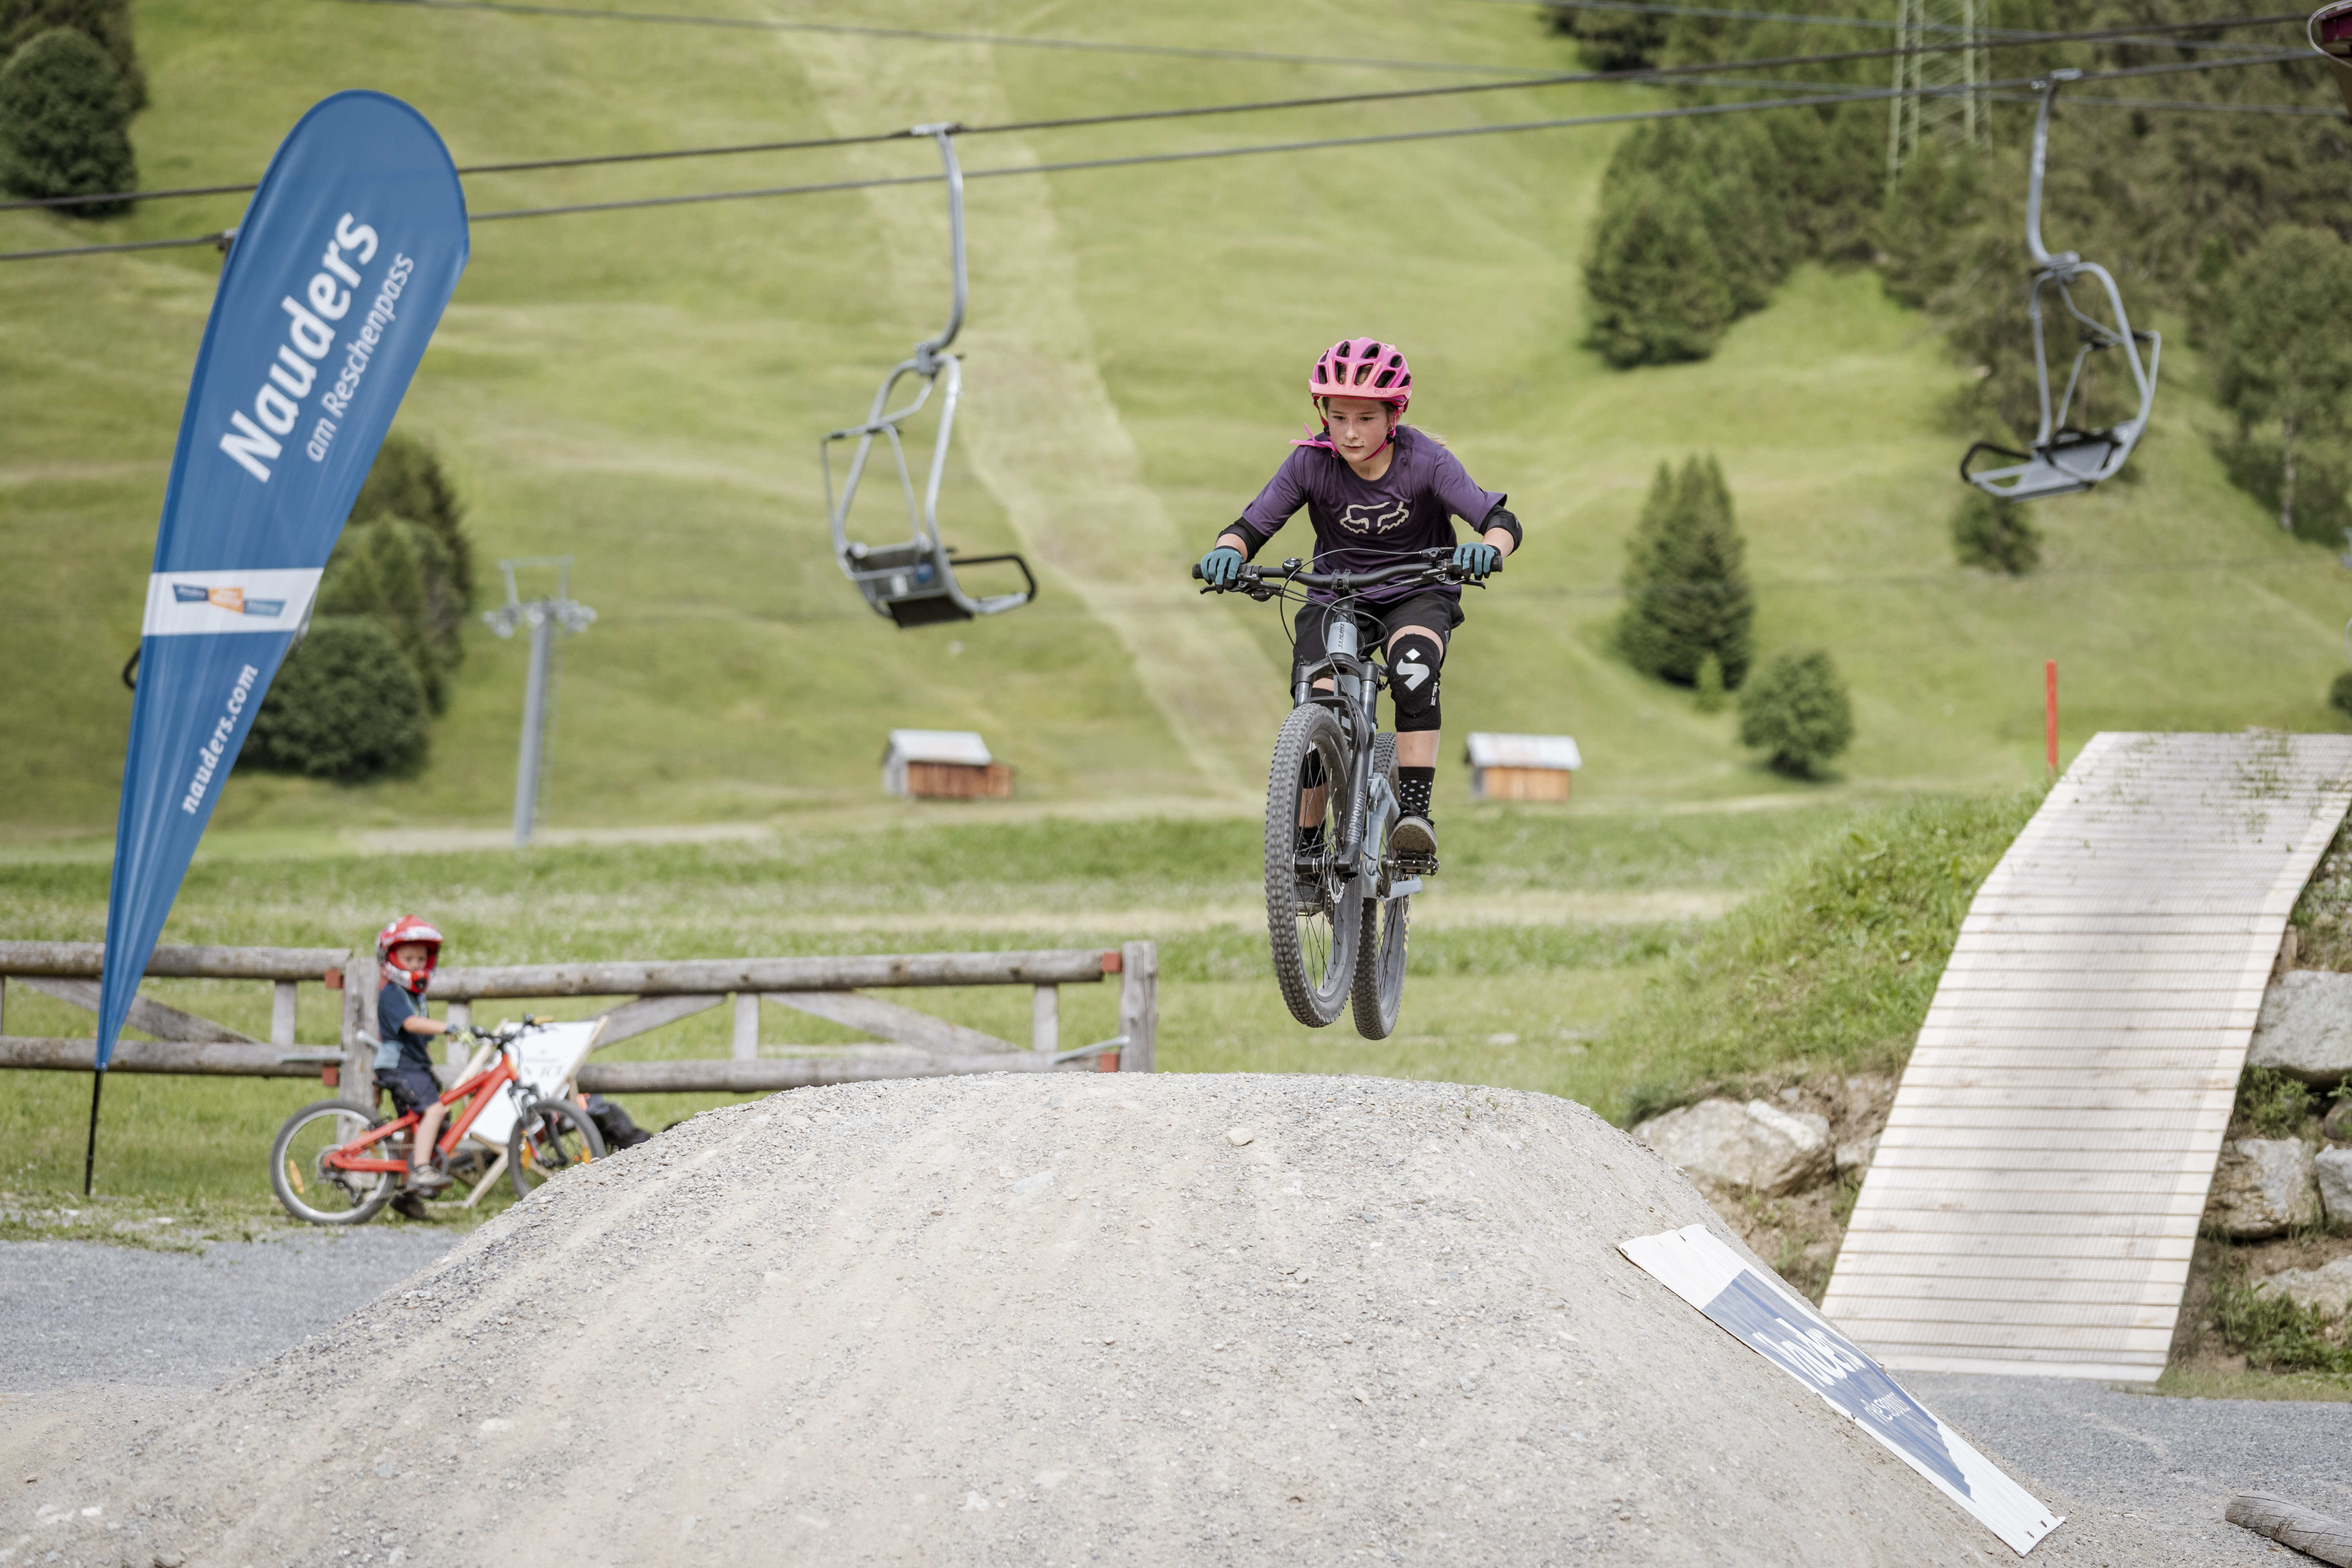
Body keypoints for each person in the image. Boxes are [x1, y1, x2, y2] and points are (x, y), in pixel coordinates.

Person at [1197, 338, 1520, 863]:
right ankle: (1302, 850)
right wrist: (1225, 554)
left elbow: (1499, 520)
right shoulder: (1309, 464)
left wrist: (1488, 550)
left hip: (1417, 590)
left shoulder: (1426, 462)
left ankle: (1414, 819)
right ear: (1321, 413)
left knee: (1413, 670)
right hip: (1337, 595)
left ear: (1394, 415)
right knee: (1317, 701)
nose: (1349, 431)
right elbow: (1249, 527)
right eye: (1338, 415)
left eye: (1366, 417)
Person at [373, 915, 456, 1195]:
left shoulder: (418, 998)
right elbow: (410, 1025)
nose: (417, 966)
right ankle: (421, 1169)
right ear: (392, 959)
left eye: (422, 960)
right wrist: (448, 1027)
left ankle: (405, 1193)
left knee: (413, 1125)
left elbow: (424, 1041)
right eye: (409, 959)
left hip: (415, 1067)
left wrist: (430, 1070)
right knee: (434, 1110)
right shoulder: (394, 993)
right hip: (400, 1067)